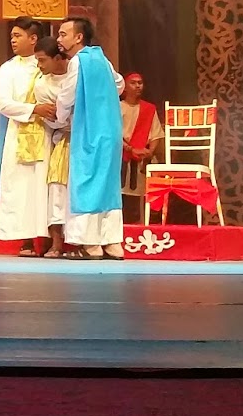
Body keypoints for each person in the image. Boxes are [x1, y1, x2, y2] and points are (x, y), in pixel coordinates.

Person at [53, 16, 126, 261]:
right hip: (111, 131)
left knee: (85, 181)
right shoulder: (102, 59)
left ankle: (90, 244)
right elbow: (119, 84)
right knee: (107, 185)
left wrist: (60, 118)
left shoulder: (78, 62)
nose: (59, 39)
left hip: (90, 131)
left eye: (63, 34)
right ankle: (112, 243)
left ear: (78, 37)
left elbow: (66, 95)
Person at [0, 16, 55, 256]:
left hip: (47, 133)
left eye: (18, 36)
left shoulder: (47, 66)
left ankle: (48, 238)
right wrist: (34, 109)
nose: (13, 41)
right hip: (18, 134)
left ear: (33, 39)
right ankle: (26, 240)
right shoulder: (8, 69)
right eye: (12, 36)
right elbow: (3, 103)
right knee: (20, 188)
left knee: (44, 187)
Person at [32, 36, 73, 255]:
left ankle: (84, 243)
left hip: (86, 139)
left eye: (42, 60)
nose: (39, 65)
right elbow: (52, 118)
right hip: (63, 140)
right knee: (57, 188)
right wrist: (65, 118)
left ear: (58, 58)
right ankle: (57, 243)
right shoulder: (42, 85)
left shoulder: (76, 74)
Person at [120, 73, 164, 200]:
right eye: (133, 83)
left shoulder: (149, 109)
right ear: (125, 87)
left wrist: (150, 152)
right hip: (122, 156)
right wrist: (129, 149)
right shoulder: (117, 107)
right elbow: (113, 134)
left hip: (143, 158)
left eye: (140, 83)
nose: (138, 86)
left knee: (146, 198)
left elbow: (156, 134)